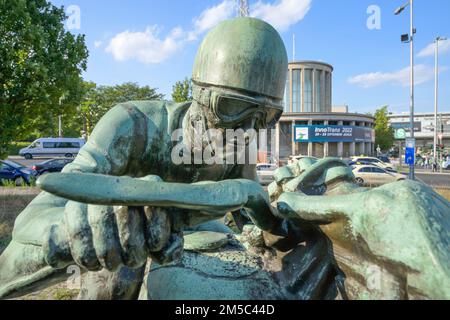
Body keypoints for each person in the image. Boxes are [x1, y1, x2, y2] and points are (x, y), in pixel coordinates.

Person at [0, 17, 343, 300]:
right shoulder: (133, 124)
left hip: (192, 250)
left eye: (265, 116)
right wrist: (87, 224)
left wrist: (287, 214)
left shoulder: (239, 145)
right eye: (231, 107)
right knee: (116, 275)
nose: (247, 127)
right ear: (199, 92)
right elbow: (43, 210)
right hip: (118, 257)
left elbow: (255, 226)